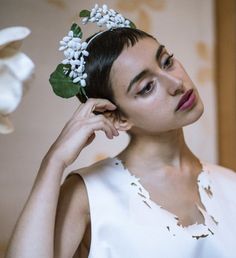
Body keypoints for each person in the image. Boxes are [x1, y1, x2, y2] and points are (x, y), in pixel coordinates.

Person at [5, 4, 236, 258]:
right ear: (117, 116)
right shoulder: (88, 195)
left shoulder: (230, 184)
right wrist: (54, 161)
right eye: (147, 87)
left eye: (167, 62)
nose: (177, 83)